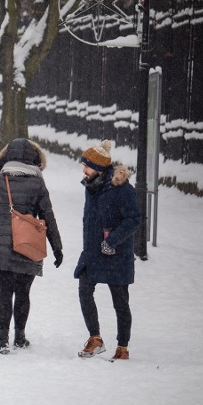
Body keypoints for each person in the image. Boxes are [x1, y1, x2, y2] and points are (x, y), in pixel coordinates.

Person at [0, 138, 64, 354]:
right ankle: (20, 336)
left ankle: (2, 340)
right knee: (24, 293)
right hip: (28, 245)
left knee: (4, 292)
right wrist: (57, 247)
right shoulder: (37, 184)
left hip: (2, 245)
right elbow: (48, 216)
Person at [74, 140, 139, 360]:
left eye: (87, 165)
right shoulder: (91, 186)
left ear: (100, 168)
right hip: (92, 252)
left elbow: (134, 219)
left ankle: (123, 347)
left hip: (116, 254)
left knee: (120, 301)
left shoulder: (122, 190)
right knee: (84, 290)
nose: (84, 169)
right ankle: (95, 338)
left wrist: (112, 241)